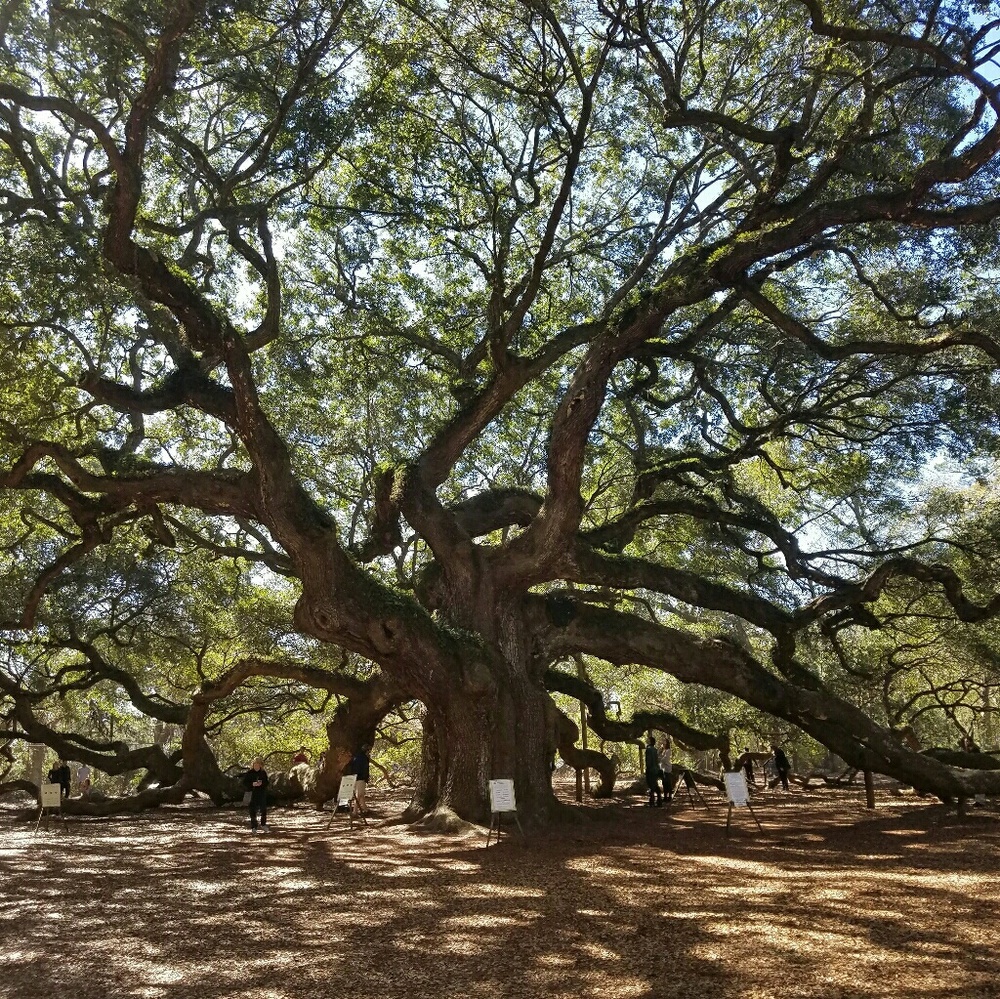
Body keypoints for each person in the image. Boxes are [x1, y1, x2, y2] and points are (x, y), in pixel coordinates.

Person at [242, 757, 270, 833]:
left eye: (258, 764)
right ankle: (254, 827)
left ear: (261, 765)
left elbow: (267, 782)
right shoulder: (249, 773)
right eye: (255, 764)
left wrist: (261, 784)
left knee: (263, 809)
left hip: (261, 793)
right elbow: (244, 783)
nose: (256, 766)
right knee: (252, 811)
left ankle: (263, 824)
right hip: (252, 793)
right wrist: (252, 784)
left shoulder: (263, 773)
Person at [348, 744, 372, 813]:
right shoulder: (364, 758)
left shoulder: (355, 757)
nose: (369, 752)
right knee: (359, 794)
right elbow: (364, 769)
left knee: (360, 794)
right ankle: (355, 811)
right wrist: (365, 778)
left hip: (354, 778)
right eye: (368, 751)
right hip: (361, 778)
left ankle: (365, 809)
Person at [644, 735, 662, 807]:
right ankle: (659, 801)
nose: (647, 741)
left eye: (648, 740)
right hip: (656, 769)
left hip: (651, 770)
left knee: (651, 785)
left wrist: (648, 769)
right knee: (655, 784)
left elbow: (648, 761)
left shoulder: (648, 749)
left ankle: (652, 802)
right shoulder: (655, 750)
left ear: (650, 742)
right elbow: (657, 760)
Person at [658, 736, 673, 801]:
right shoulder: (663, 751)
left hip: (667, 768)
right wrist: (660, 749)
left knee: (668, 783)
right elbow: (657, 755)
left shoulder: (668, 751)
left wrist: (659, 759)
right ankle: (665, 797)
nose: (663, 744)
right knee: (664, 783)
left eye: (664, 742)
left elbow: (665, 759)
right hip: (662, 768)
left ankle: (669, 796)